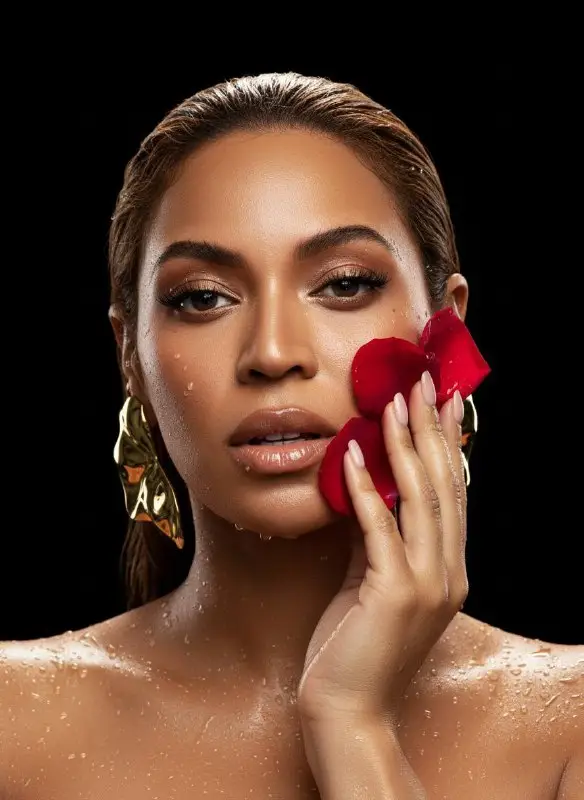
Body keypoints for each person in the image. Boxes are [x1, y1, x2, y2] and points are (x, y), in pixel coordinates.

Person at [1, 72, 581, 800]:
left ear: (446, 327)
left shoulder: (570, 726)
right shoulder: (13, 723)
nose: (273, 353)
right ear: (130, 355)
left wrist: (352, 723)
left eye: (344, 284)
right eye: (202, 297)